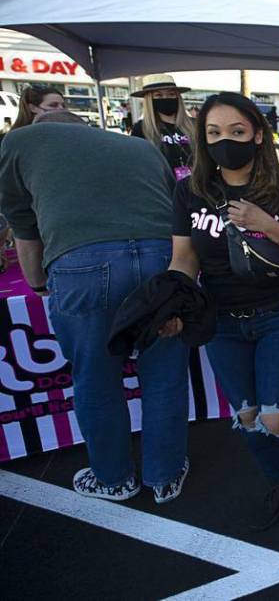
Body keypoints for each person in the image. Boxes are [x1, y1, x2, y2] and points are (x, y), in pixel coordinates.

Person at [0, 109, 191, 503]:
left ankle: (113, 478)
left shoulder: (19, 142)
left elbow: (23, 226)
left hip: (82, 263)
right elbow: (174, 211)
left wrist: (38, 282)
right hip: (161, 257)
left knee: (96, 377)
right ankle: (165, 475)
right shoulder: (140, 146)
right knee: (164, 373)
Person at [164, 91, 279, 530]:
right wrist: (172, 302)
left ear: (258, 134)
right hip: (220, 321)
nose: (226, 141)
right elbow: (183, 258)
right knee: (247, 417)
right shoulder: (190, 191)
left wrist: (268, 226)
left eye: (237, 131)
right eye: (214, 132)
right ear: (202, 139)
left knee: (277, 414)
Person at [131, 73, 196, 177]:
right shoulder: (141, 129)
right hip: (161, 188)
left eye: (171, 94)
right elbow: (137, 164)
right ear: (149, 99)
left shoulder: (194, 125)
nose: (166, 98)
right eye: (158, 95)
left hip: (194, 187)